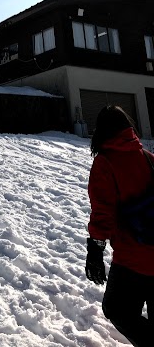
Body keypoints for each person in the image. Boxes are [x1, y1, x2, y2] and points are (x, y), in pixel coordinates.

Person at [85, 105, 154, 345]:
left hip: (132, 257)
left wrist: (94, 250)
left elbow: (103, 214)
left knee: (117, 309)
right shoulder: (147, 157)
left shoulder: (105, 163)